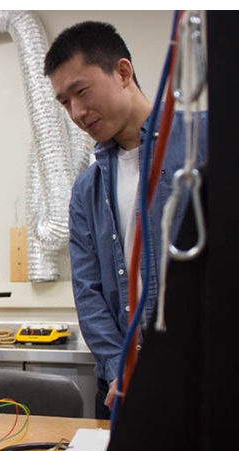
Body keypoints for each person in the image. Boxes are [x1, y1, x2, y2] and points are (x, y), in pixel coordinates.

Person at [45, 21, 208, 418]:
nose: (77, 113)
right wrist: (122, 368)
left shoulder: (203, 143)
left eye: (81, 91)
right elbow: (89, 291)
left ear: (122, 72)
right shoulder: (88, 187)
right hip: (122, 387)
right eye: (65, 102)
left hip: (198, 378)